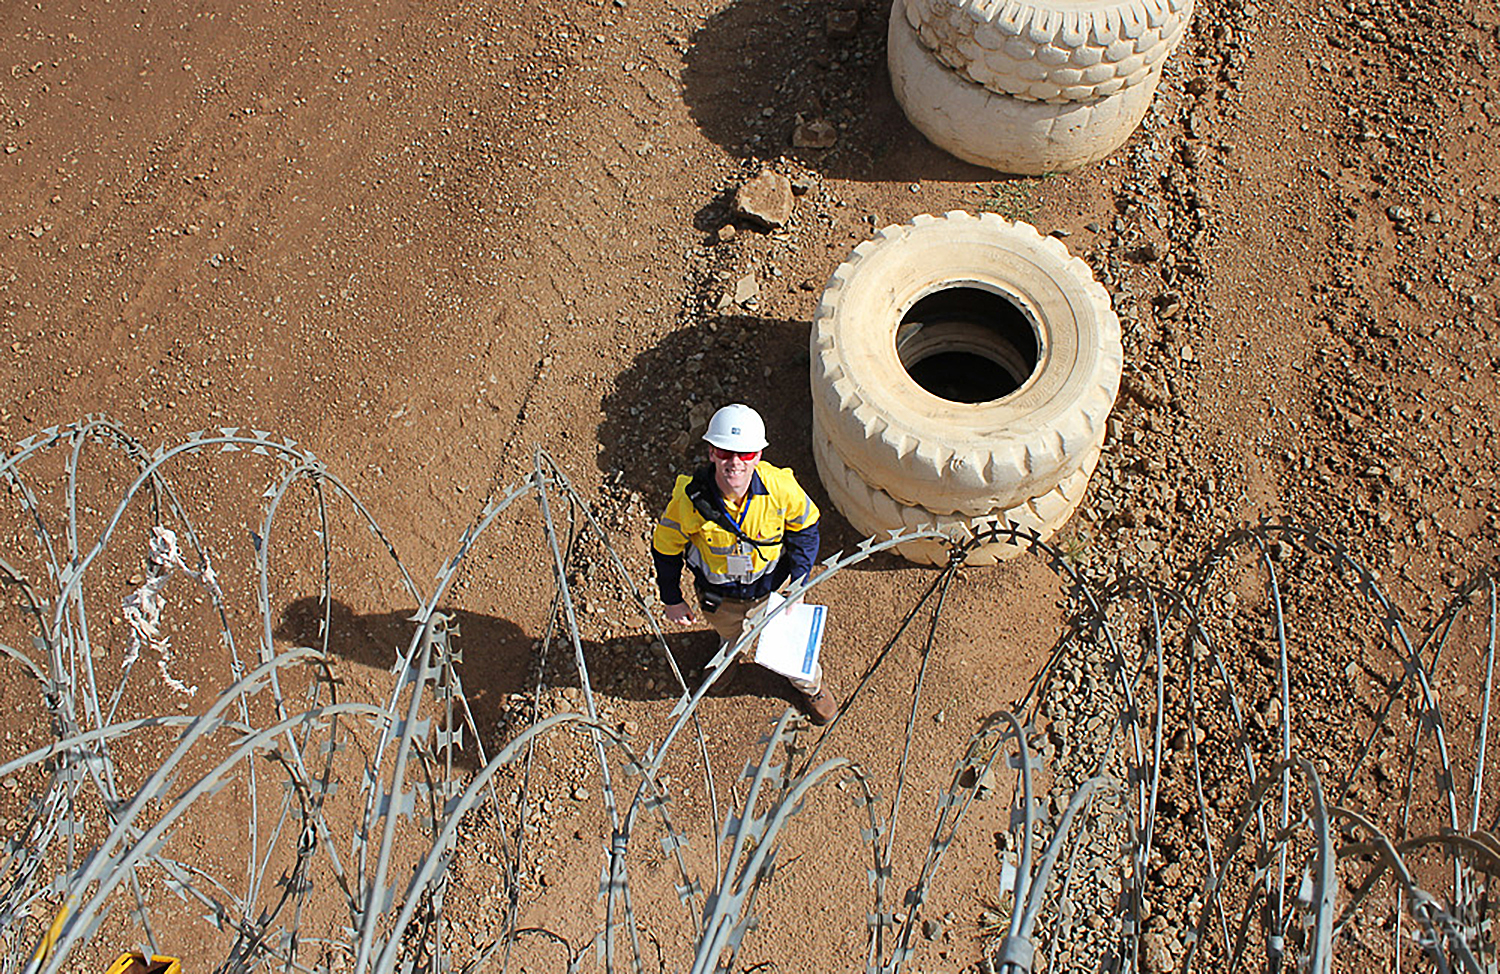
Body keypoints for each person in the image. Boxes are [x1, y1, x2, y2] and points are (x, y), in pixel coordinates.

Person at [651, 404, 838, 724]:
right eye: (725, 452)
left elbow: (806, 529)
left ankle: (810, 685)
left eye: (746, 454)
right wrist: (671, 598)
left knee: (792, 650)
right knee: (731, 636)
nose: (734, 462)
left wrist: (799, 583)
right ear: (711, 453)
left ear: (759, 455)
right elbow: (665, 549)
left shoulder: (780, 487)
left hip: (775, 592)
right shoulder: (688, 499)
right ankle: (728, 659)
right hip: (721, 598)